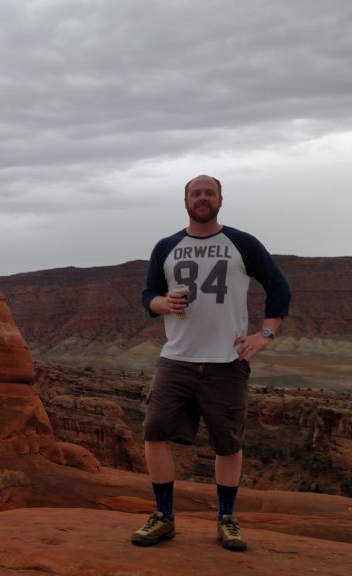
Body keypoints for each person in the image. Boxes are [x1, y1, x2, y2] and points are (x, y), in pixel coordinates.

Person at [132, 175, 291, 552]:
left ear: (221, 200)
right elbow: (148, 295)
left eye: (209, 193)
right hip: (177, 358)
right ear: (185, 200)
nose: (202, 198)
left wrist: (264, 336)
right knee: (154, 434)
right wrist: (163, 304)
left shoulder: (242, 243)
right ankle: (164, 516)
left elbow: (279, 287)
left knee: (227, 444)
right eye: (195, 193)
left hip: (225, 361)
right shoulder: (167, 246)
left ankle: (226, 519)